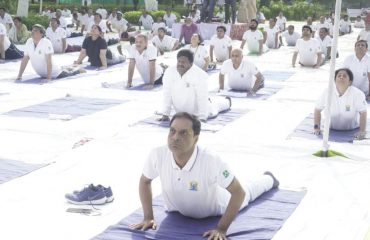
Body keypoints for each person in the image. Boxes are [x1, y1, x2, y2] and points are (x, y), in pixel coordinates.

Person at [131, 112, 279, 240]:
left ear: (196, 139)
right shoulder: (158, 154)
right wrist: (148, 217)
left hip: (216, 208)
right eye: (172, 131)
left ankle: (269, 179)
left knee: (249, 190)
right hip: (178, 207)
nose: (175, 137)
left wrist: (221, 228)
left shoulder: (211, 160)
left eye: (184, 133)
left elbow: (238, 193)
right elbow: (145, 181)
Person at [157, 50, 231, 122]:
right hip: (180, 112)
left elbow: (202, 97)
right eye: (179, 61)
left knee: (215, 107)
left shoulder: (200, 75)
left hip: (198, 112)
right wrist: (165, 114)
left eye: (183, 62)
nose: (180, 64)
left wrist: (202, 118)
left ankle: (227, 102)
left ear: (191, 63)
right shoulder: (169, 72)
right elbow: (167, 93)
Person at [16, 24, 84, 83]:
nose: (33, 32)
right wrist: (19, 75)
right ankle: (69, 67)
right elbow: (25, 59)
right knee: (64, 68)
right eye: (32, 30)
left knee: (70, 73)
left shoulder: (46, 42)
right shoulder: (29, 41)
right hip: (41, 74)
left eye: (36, 30)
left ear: (41, 34)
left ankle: (78, 70)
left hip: (54, 73)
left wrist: (49, 78)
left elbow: (49, 61)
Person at [314, 68, 367, 140]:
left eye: (344, 76)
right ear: (335, 80)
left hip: (352, 129)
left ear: (350, 82)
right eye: (339, 76)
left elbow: (363, 112)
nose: (341, 77)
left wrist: (362, 131)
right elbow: (317, 109)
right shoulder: (327, 92)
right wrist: (316, 128)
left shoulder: (357, 94)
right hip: (330, 129)